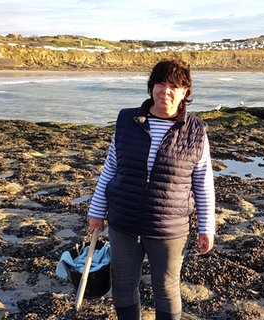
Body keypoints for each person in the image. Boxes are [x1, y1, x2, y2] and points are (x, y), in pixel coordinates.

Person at [86, 58, 216, 320]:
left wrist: (207, 227)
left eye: (174, 86)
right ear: (151, 86)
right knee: (122, 286)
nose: (165, 91)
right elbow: (110, 168)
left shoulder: (196, 131)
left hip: (168, 226)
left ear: (185, 93)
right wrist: (96, 211)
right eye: (160, 83)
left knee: (167, 288)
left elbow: (203, 183)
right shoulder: (127, 120)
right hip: (123, 222)